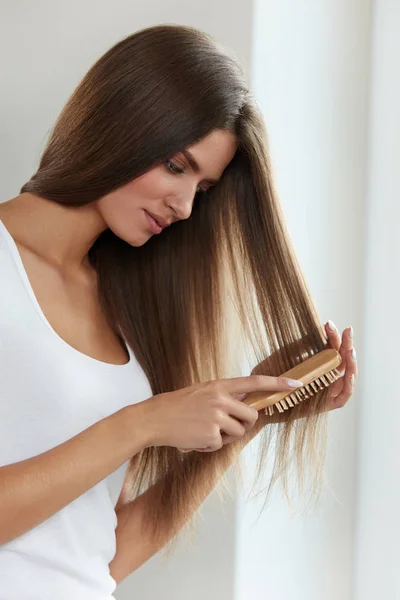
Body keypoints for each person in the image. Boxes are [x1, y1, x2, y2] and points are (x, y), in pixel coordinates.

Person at [0, 24, 357, 599]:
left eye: (204, 187)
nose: (185, 205)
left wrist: (250, 417)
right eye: (175, 165)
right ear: (120, 122)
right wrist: (141, 424)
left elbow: (96, 556)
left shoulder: (119, 305)